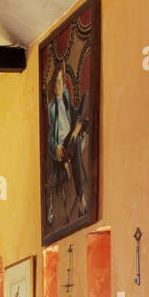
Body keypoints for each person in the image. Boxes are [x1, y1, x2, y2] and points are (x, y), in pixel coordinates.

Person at [47, 60, 90, 221]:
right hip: (64, 146)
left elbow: (73, 112)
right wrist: (56, 146)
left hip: (72, 133)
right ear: (53, 86)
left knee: (86, 96)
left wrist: (78, 117)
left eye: (61, 81)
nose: (59, 85)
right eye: (56, 82)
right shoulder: (52, 108)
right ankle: (81, 200)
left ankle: (75, 137)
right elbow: (51, 136)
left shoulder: (65, 97)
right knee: (76, 143)